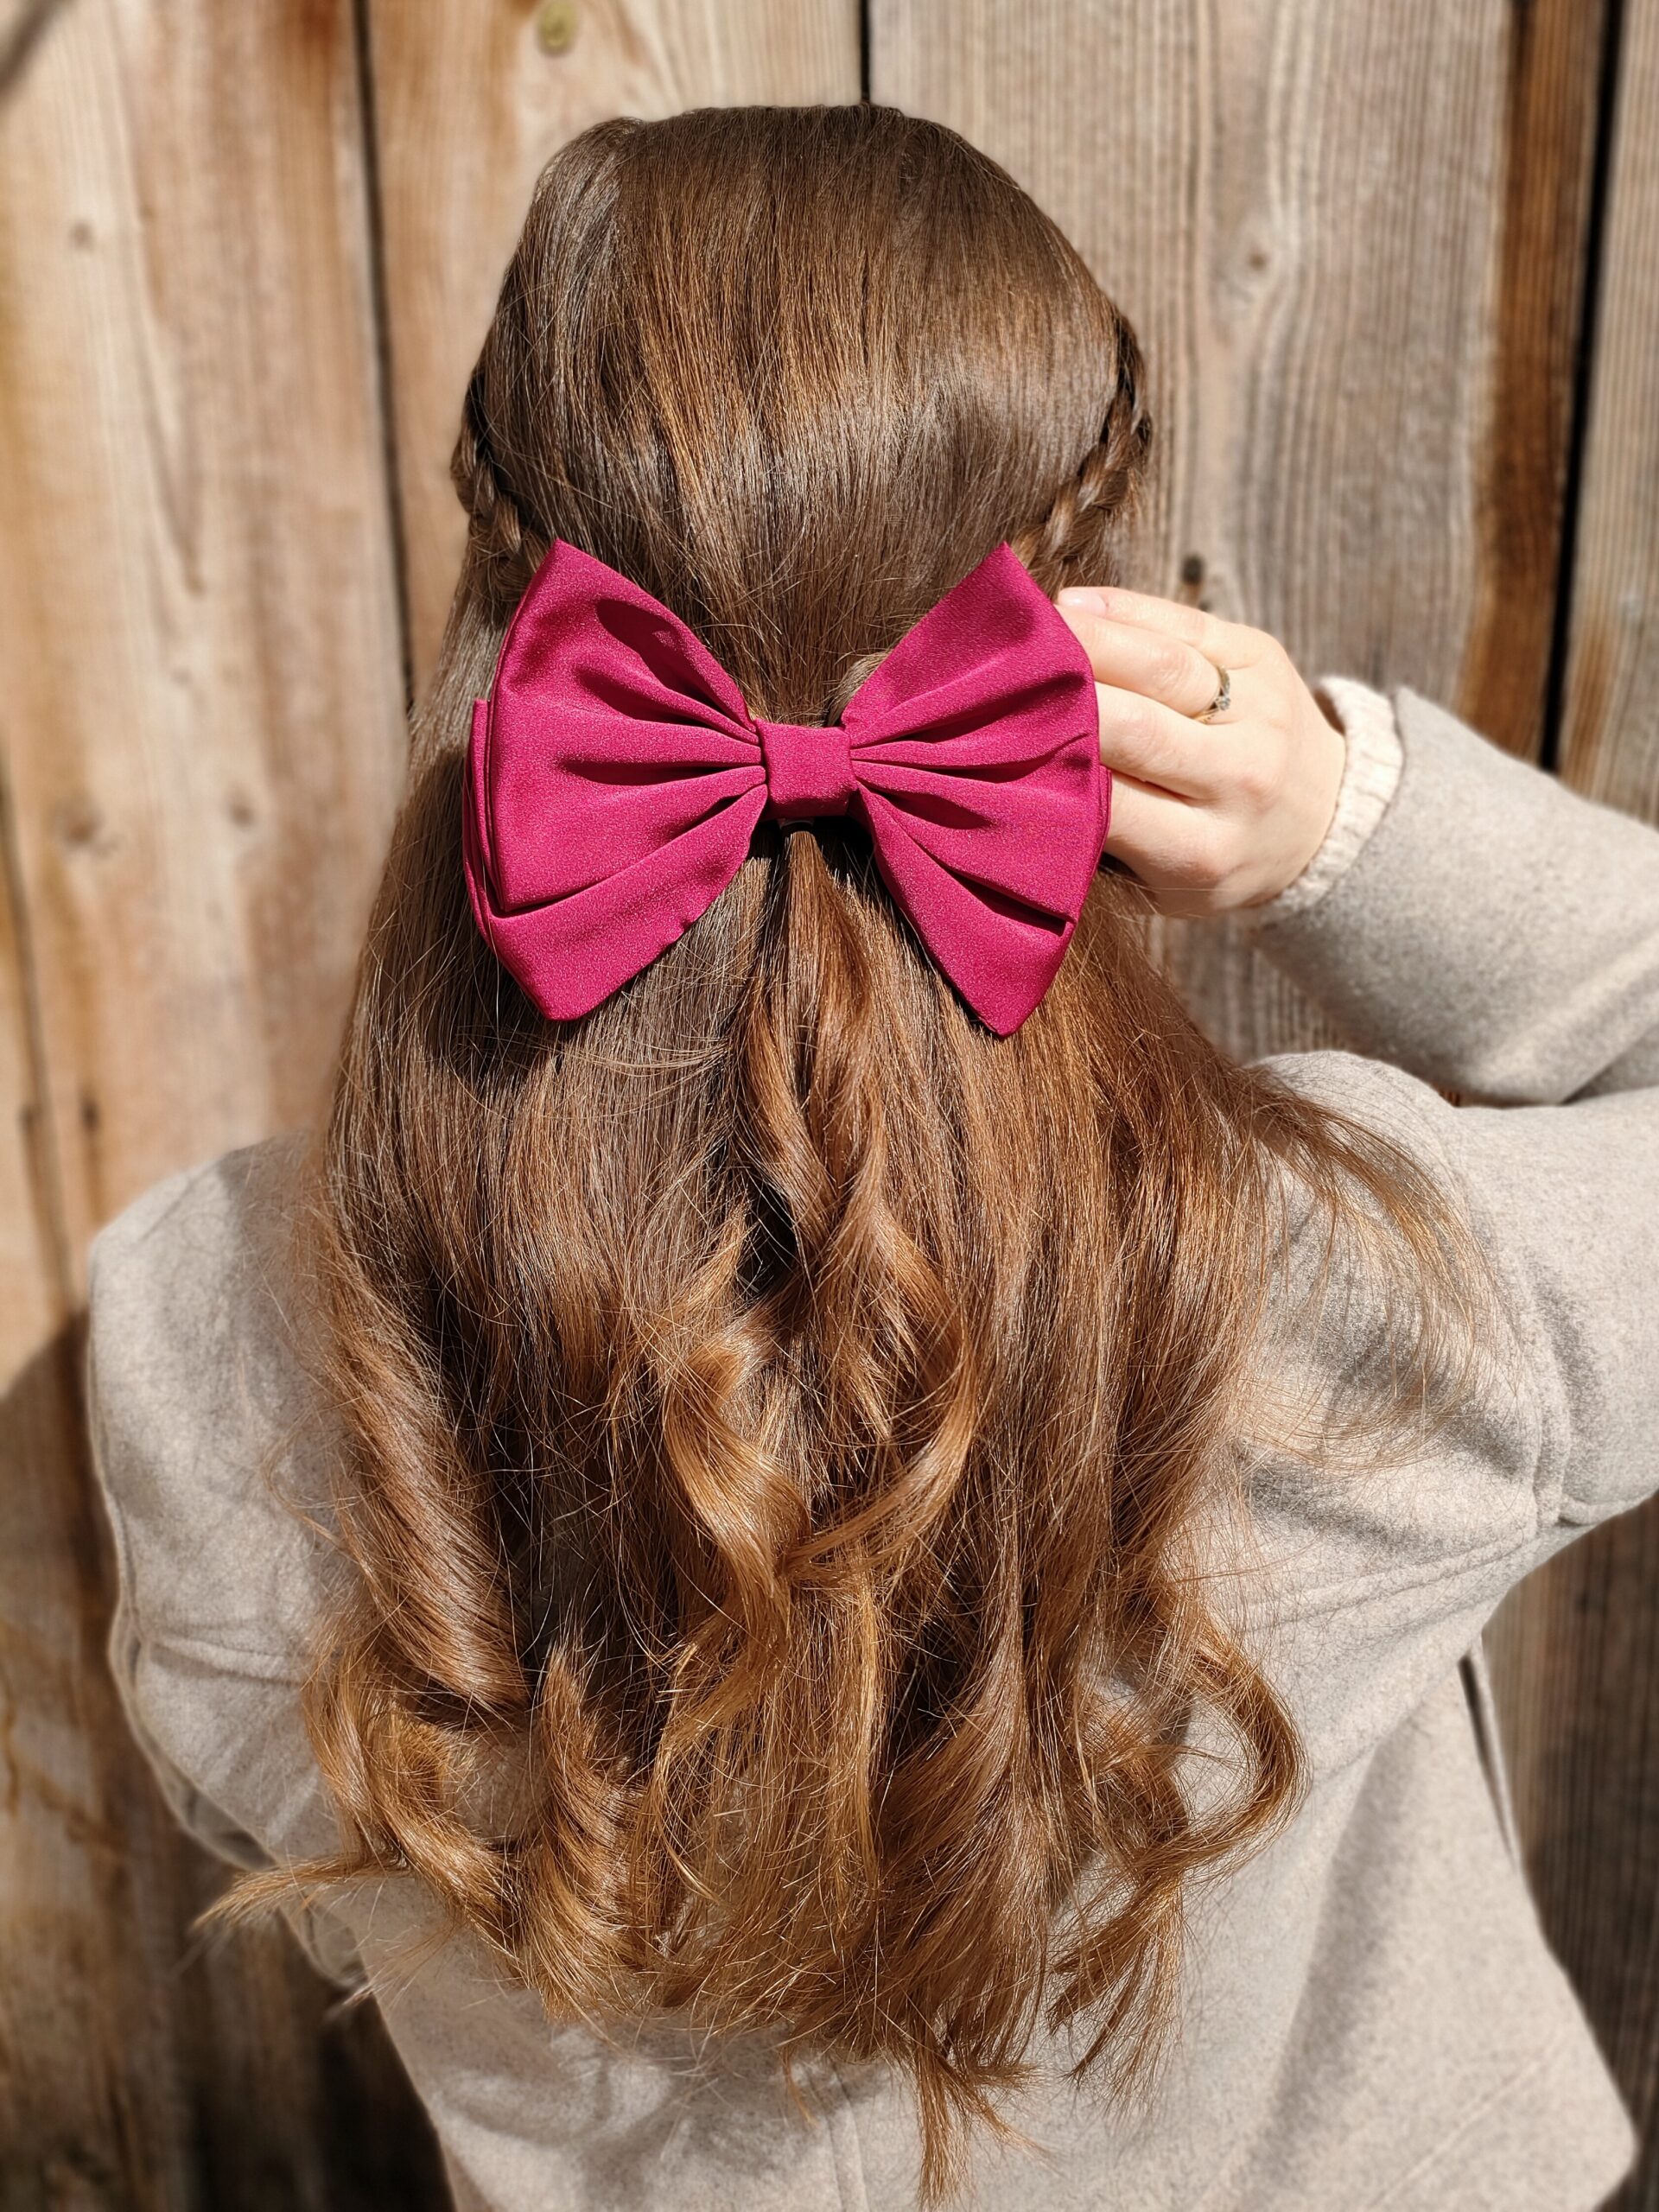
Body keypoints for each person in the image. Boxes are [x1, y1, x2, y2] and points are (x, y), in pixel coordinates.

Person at [84, 103, 1659, 2212]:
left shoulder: (202, 1336)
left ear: (509, 627)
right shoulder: (1369, 1284)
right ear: (1069, 649)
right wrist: (1345, 824)